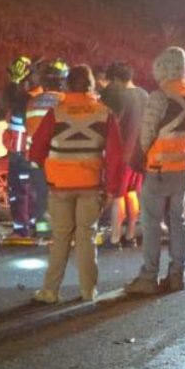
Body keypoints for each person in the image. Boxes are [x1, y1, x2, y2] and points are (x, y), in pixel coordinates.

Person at [28, 64, 115, 304]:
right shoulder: (104, 112)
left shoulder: (56, 112)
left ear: (68, 85)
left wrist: (48, 169)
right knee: (86, 238)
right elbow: (116, 155)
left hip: (59, 185)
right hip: (90, 184)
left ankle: (50, 291)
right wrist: (112, 189)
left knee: (61, 237)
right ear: (92, 85)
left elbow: (36, 149)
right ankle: (89, 291)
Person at [125, 46, 185, 295]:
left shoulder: (159, 96)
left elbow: (146, 135)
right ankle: (176, 275)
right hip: (181, 170)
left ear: (163, 67)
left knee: (151, 224)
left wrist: (139, 160)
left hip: (157, 170)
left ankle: (148, 277)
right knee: (177, 221)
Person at [100, 60, 148, 248]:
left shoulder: (120, 97)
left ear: (117, 80)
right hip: (139, 153)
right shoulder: (144, 94)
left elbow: (111, 122)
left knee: (118, 195)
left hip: (121, 153)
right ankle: (130, 236)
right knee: (132, 193)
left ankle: (115, 239)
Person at [24, 59, 68, 237]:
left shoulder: (33, 102)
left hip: (36, 158)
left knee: (41, 194)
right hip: (58, 157)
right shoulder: (64, 101)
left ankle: (42, 229)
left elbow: (29, 129)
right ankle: (61, 229)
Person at [2, 56, 38, 237]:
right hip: (29, 152)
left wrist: (13, 85)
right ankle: (31, 224)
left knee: (18, 191)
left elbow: (12, 105)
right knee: (30, 190)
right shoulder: (37, 96)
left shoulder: (25, 99)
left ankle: (21, 228)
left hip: (20, 152)